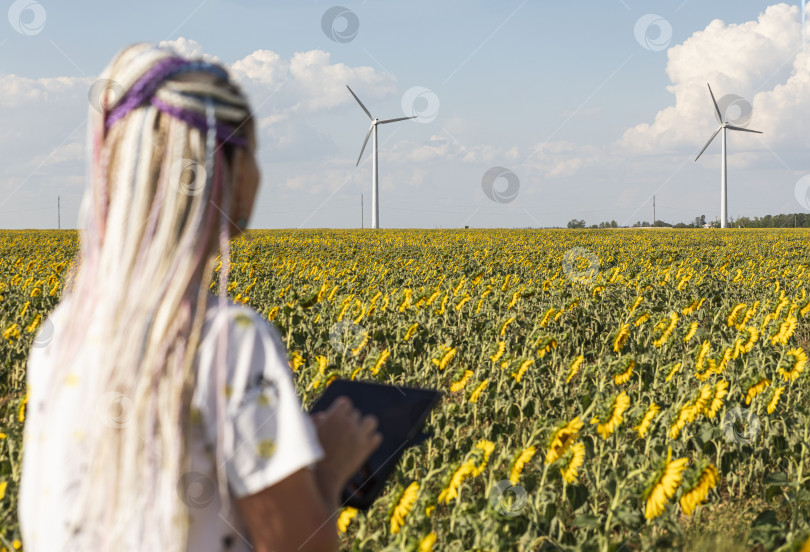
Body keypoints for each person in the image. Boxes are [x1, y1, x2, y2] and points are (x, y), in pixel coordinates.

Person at [18, 43, 382, 552]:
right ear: (225, 171)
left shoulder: (60, 335)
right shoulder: (226, 343)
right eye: (253, 153)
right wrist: (332, 468)